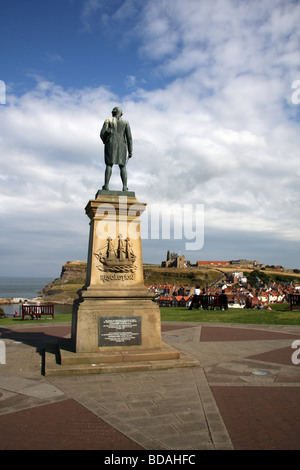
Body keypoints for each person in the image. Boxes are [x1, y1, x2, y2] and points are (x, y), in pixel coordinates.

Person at [100, 107, 133, 191]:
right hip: (122, 145)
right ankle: (125, 187)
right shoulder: (125, 122)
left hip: (110, 143)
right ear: (121, 114)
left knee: (109, 165)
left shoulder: (108, 121)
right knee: (122, 166)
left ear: (113, 113)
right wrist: (130, 150)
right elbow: (129, 138)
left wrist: (107, 133)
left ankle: (106, 185)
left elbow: (102, 134)